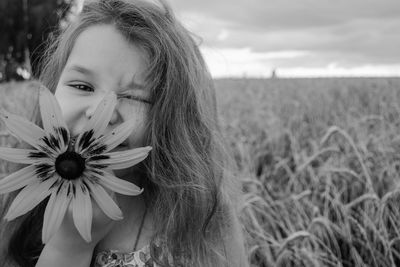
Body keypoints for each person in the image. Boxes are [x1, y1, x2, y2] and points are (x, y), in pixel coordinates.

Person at [0, 0, 248, 266]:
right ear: (50, 89)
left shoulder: (203, 211)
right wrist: (68, 245)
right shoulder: (19, 203)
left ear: (172, 117)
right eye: (82, 86)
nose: (101, 111)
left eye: (132, 96)